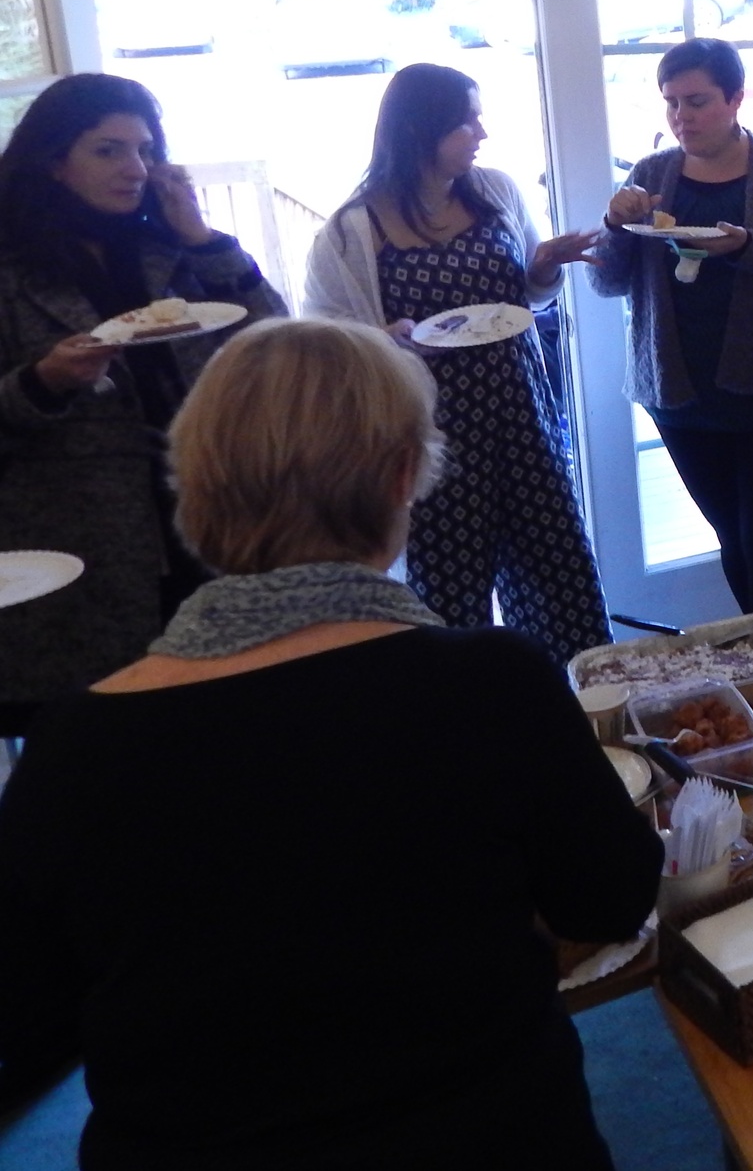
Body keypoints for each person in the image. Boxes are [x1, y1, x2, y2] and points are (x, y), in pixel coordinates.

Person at [0, 317, 661, 1169]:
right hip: (491, 1139)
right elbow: (609, 902)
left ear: (195, 483)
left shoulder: (72, 745)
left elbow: (29, 1016)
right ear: (399, 478)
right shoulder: (490, 683)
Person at [0, 73, 283, 735]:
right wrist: (44, 381)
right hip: (77, 544)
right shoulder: (10, 270)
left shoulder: (167, 249)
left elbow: (271, 343)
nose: (134, 168)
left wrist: (205, 241)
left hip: (200, 517)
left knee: (219, 725)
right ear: (52, 160)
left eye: (145, 150)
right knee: (98, 742)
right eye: (108, 150)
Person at [305, 62, 610, 665]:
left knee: (559, 572)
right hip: (432, 436)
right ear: (423, 131)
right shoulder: (353, 231)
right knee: (449, 588)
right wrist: (382, 338)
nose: (481, 133)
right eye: (467, 121)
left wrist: (545, 263)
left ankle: (578, 707)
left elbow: (525, 290)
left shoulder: (494, 191)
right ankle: (464, 721)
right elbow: (330, 338)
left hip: (521, 415)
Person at [593, 38, 753, 615]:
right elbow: (608, 283)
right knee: (733, 538)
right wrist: (614, 223)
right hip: (683, 395)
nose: (682, 117)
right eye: (672, 103)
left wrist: (747, 247)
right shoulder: (653, 173)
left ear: (735, 99)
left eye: (697, 101)